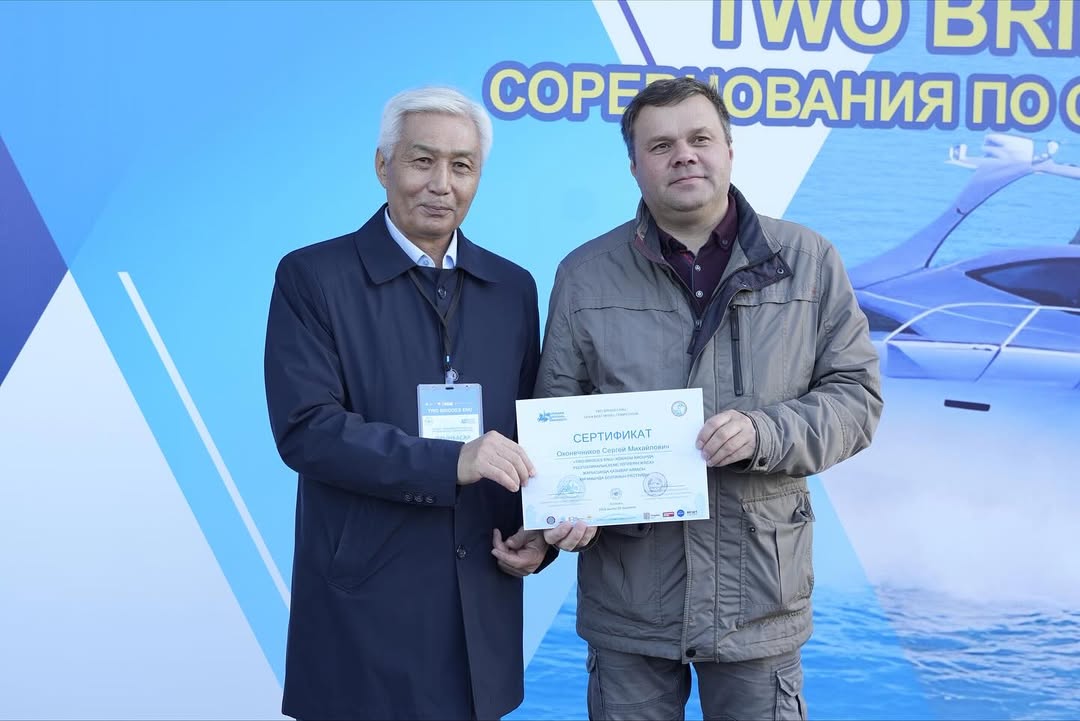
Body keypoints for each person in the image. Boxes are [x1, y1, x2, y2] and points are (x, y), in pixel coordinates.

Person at [535, 77, 883, 720]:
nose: (684, 156)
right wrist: (560, 515)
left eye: (700, 138)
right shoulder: (584, 275)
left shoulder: (808, 261)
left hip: (760, 594)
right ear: (634, 167)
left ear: (728, 149)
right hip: (629, 598)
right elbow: (555, 415)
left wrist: (765, 432)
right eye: (660, 146)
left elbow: (857, 399)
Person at [264, 86, 565, 721]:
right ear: (383, 165)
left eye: (462, 166)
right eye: (422, 161)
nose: (441, 184)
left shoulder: (511, 288)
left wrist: (541, 531)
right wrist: (450, 461)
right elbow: (306, 429)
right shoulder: (313, 277)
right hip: (365, 602)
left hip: (480, 601)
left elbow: (533, 427)